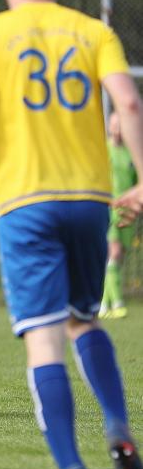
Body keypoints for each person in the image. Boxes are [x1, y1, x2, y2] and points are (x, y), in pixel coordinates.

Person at [0, 0, 143, 469]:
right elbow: (127, 100)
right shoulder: (92, 30)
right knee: (85, 318)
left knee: (44, 334)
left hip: (25, 203)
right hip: (89, 199)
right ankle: (122, 436)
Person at [101, 112, 137, 319]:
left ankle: (104, 305)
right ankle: (117, 302)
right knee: (113, 252)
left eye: (121, 125)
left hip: (127, 209)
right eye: (114, 125)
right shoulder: (104, 150)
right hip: (108, 207)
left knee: (117, 257)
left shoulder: (131, 154)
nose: (117, 129)